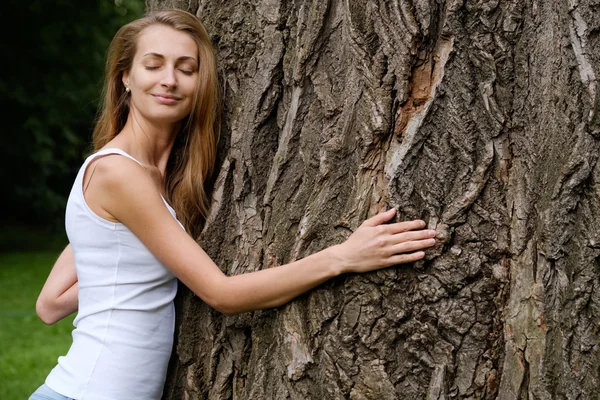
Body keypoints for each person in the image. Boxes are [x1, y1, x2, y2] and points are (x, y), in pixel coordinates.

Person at [30, 9, 437, 400]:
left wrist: (116, 281)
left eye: (186, 69)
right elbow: (222, 294)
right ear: (125, 78)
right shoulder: (120, 175)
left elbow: (52, 302)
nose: (169, 80)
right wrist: (345, 256)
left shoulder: (142, 177)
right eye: (153, 65)